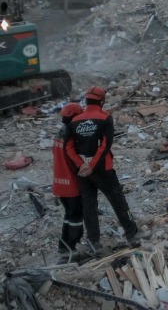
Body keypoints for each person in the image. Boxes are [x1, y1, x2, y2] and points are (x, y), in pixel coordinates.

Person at [67, 86, 139, 249]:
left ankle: (93, 242)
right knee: (117, 200)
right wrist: (92, 165)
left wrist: (81, 165)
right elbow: (105, 145)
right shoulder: (105, 118)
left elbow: (69, 147)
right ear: (102, 101)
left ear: (86, 101)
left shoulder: (74, 121)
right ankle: (132, 234)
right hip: (103, 169)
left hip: (82, 172)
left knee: (89, 205)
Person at [52, 102, 85, 263]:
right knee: (76, 217)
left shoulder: (59, 133)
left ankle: (63, 246)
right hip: (71, 183)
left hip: (59, 183)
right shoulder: (72, 135)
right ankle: (71, 249)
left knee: (68, 215)